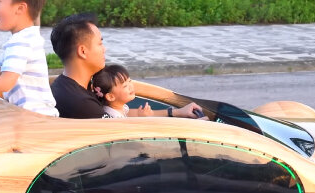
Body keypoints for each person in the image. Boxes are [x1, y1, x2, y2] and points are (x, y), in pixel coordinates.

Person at [50, 13, 202, 119]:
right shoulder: (80, 103)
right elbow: (123, 130)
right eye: (100, 43)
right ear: (82, 51)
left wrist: (176, 113)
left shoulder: (77, 85)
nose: (104, 49)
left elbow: (121, 113)